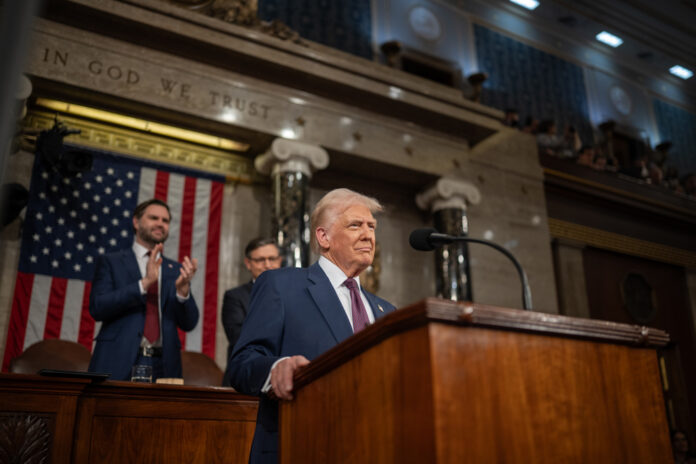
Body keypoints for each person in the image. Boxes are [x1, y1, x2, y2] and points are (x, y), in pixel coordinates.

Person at [227, 188, 397, 464]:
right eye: (355, 225)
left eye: (371, 227)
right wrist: (276, 368)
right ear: (323, 237)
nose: (368, 235)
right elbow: (242, 364)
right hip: (302, 445)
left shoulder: (386, 310)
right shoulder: (281, 285)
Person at [88, 198, 199, 381]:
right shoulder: (112, 261)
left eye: (165, 220)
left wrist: (182, 292)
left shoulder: (175, 269)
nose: (160, 224)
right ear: (136, 222)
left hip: (163, 365)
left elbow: (189, 323)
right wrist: (144, 283)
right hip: (118, 360)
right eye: (154, 218)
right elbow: (98, 307)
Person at [221, 237, 281, 385]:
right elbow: (239, 339)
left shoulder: (293, 295)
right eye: (260, 260)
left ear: (280, 261)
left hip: (284, 379)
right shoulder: (235, 297)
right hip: (245, 380)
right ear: (248, 263)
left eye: (272, 259)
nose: (267, 265)